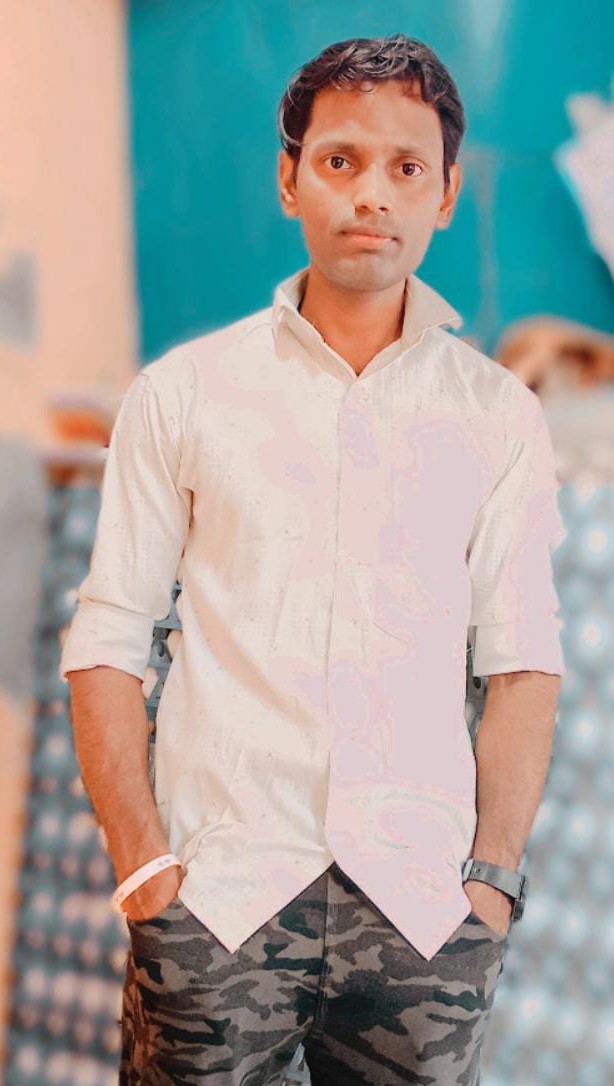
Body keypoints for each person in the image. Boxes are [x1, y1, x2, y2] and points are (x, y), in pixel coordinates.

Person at [60, 32, 566, 1085]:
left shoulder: (497, 416)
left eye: (406, 167)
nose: (371, 193)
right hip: (219, 903)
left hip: (422, 913)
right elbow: (106, 641)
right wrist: (147, 873)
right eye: (339, 160)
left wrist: (490, 888)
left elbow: (521, 664)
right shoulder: (183, 395)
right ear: (289, 179)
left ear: (446, 192)